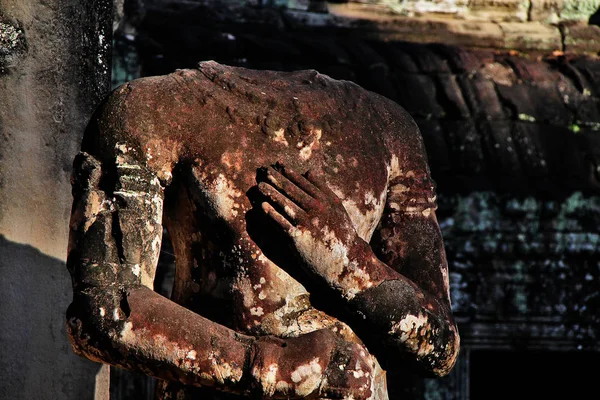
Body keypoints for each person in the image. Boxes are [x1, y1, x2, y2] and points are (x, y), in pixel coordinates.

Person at [66, 61, 459, 399]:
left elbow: (439, 347)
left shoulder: (389, 129)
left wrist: (345, 260)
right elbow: (103, 311)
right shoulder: (152, 109)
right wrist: (273, 367)